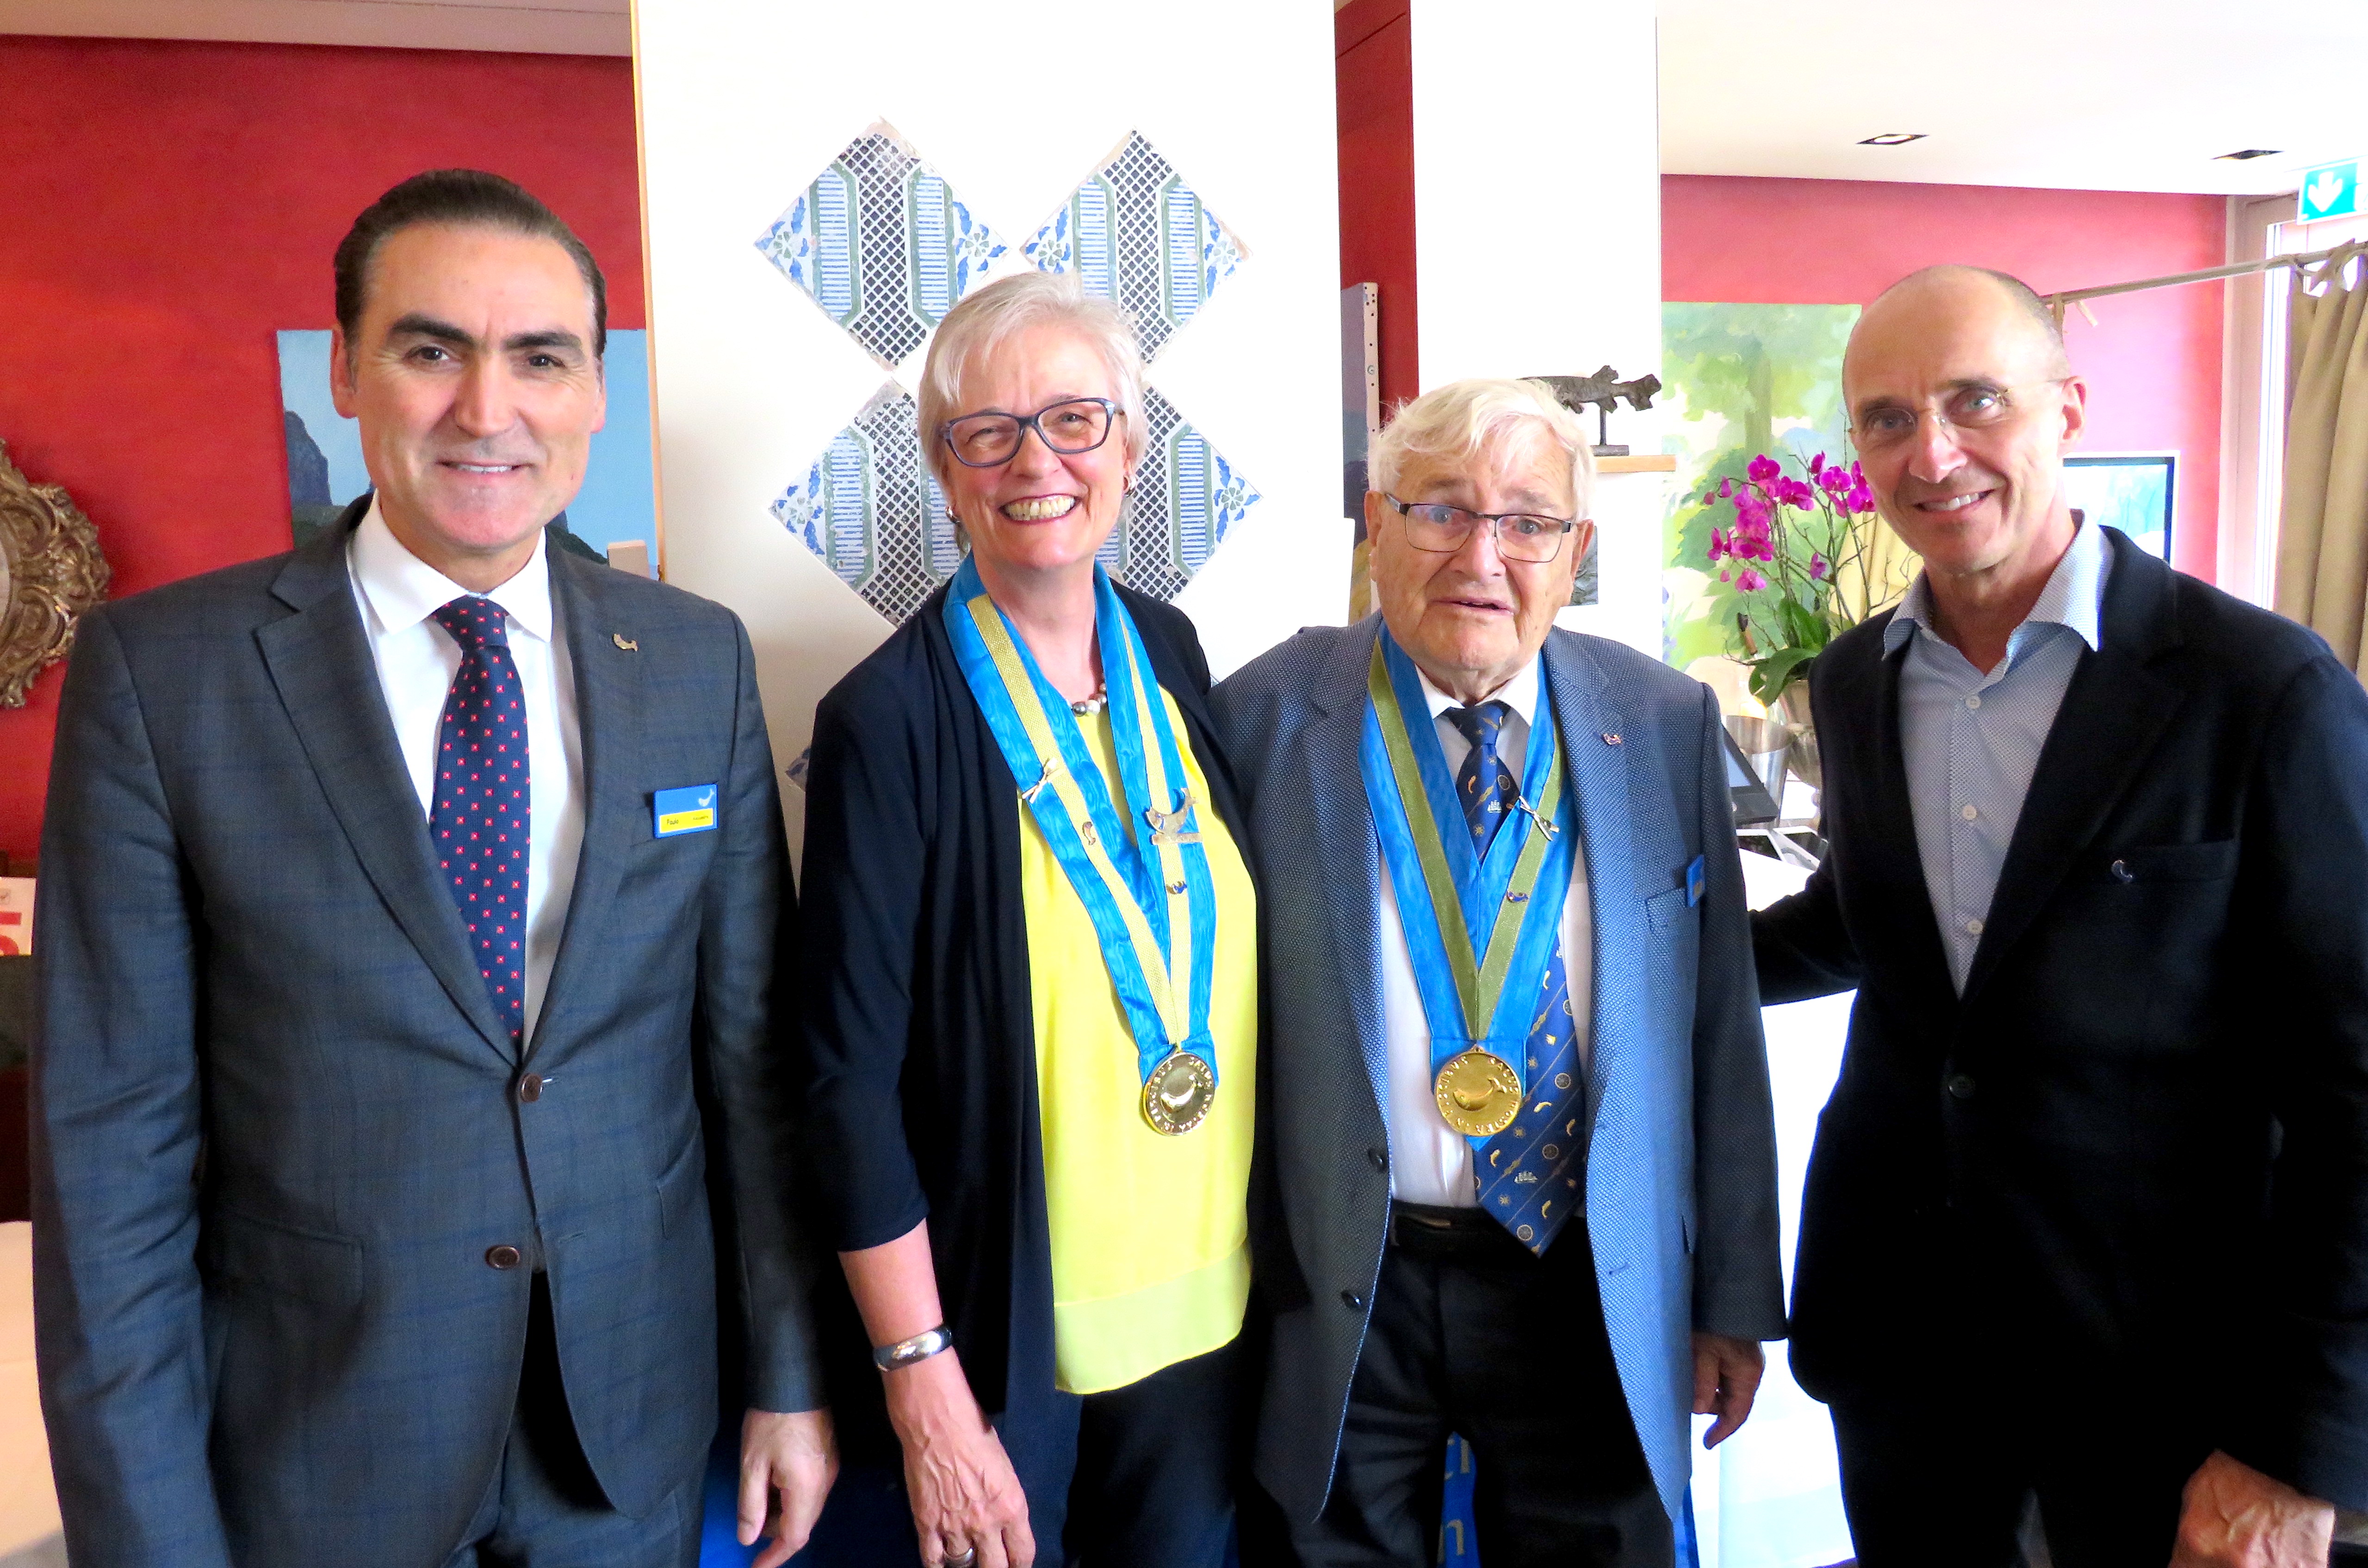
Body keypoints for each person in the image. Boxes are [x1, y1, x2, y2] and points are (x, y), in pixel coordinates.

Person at [31, 169, 834, 1568]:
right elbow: (111, 1157)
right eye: (430, 350)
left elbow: (749, 1061)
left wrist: (788, 1372)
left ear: (596, 392)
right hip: (322, 1446)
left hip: (627, 1435)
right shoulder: (165, 678)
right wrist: (147, 1535)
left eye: (541, 358)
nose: (486, 408)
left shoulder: (693, 659)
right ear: (346, 372)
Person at [1753, 264, 2368, 1568]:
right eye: (1886, 418)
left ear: (2068, 409)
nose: (1932, 454)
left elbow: (2356, 1091)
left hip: (2167, 1376)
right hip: (1906, 1350)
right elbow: (1875, 922)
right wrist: (1616, 950)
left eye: (1974, 400)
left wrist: (2297, 1444)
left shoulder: (2260, 688)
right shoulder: (1855, 680)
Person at [1211, 378, 1785, 1567]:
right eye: (1441, 511)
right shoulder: (1261, 717)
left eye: (1527, 522)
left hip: (1591, 1276)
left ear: (1576, 550)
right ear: (1378, 526)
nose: (1482, 556)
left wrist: (1732, 1296)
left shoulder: (1662, 721)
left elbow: (1719, 1030)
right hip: (1347, 1278)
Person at [793, 269, 1265, 1568]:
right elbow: (841, 1083)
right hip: (1010, 1347)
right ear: (945, 472)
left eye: (1073, 419)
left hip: (1214, 1318)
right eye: (986, 432)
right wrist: (922, 1380)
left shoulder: (1172, 649)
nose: (1035, 461)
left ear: (1131, 444)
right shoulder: (886, 721)